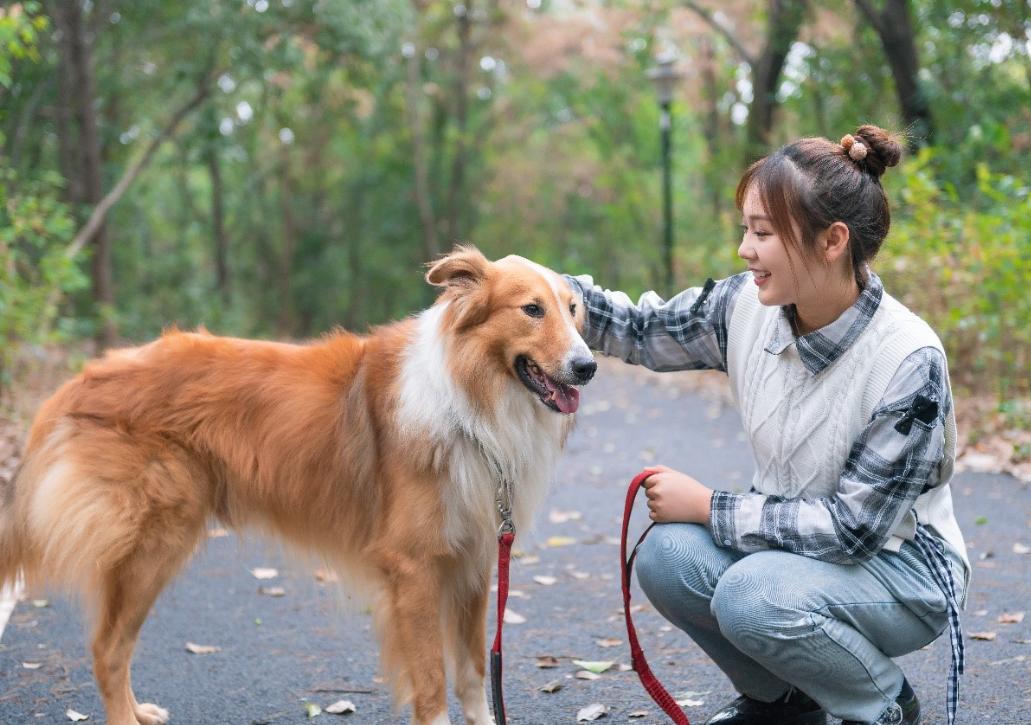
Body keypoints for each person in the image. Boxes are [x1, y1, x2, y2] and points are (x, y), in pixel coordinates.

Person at [564, 125, 969, 725]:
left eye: (762, 233)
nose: (743, 250)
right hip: (790, 555)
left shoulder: (907, 360)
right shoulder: (746, 307)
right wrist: (551, 292)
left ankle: (884, 704)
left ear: (832, 241)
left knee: (752, 595)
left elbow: (853, 531)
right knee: (667, 558)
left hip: (903, 569)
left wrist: (710, 507)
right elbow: (645, 331)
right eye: (745, 230)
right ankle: (785, 702)